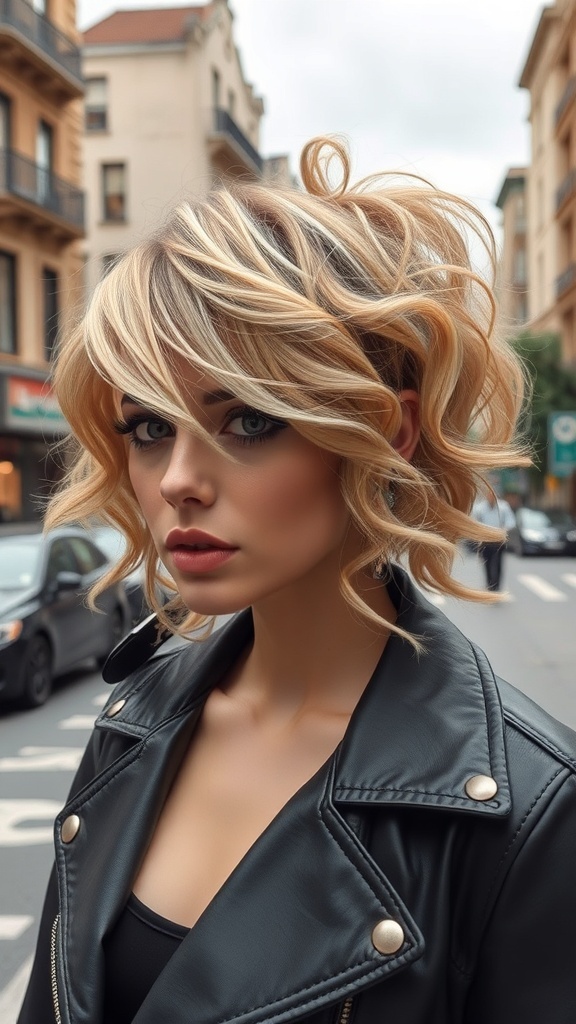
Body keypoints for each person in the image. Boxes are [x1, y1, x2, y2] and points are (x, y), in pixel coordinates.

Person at [18, 137, 576, 1024]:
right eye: (149, 426)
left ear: (385, 434)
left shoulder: (528, 811)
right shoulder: (137, 721)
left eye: (247, 418)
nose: (176, 481)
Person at [472, 491, 516, 591]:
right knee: (487, 563)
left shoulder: (503, 507)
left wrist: (504, 529)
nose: (491, 498)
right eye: (489, 496)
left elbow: (511, 521)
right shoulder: (480, 508)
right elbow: (475, 522)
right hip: (486, 540)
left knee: (498, 563)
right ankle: (489, 585)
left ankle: (497, 585)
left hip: (499, 540)